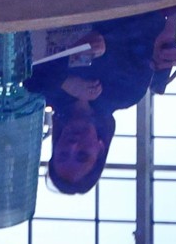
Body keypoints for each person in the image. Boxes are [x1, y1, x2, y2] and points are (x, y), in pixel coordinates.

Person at [25, 13, 167, 194]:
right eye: (82, 155)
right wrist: (107, 40)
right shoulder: (126, 93)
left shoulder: (42, 92)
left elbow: (24, 64)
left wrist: (64, 81)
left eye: (63, 154)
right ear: (100, 149)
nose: (72, 146)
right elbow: (152, 23)